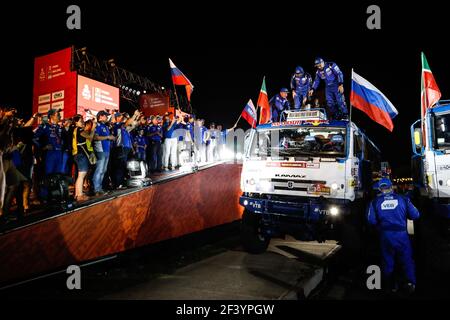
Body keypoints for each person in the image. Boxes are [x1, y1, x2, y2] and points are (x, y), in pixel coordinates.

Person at [367, 177, 420, 294]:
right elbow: (415, 215)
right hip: (402, 235)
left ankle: (391, 286)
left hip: (386, 236)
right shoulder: (403, 199)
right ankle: (410, 283)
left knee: (388, 260)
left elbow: (371, 221)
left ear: (380, 189)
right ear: (391, 187)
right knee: (406, 259)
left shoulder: (375, 202)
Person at [72, 115, 96, 201]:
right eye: (81, 121)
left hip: (78, 154)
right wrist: (93, 128)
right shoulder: (79, 129)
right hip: (80, 155)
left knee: (81, 175)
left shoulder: (76, 130)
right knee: (81, 175)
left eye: (83, 120)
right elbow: (90, 137)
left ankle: (78, 194)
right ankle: (79, 195)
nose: (82, 122)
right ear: (76, 122)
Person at [93, 111, 115, 196]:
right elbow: (95, 137)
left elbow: (107, 137)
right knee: (99, 170)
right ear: (101, 116)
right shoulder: (97, 125)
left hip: (107, 150)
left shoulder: (105, 126)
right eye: (106, 116)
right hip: (100, 150)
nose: (107, 118)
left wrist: (111, 138)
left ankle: (99, 188)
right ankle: (96, 189)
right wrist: (108, 137)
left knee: (103, 170)